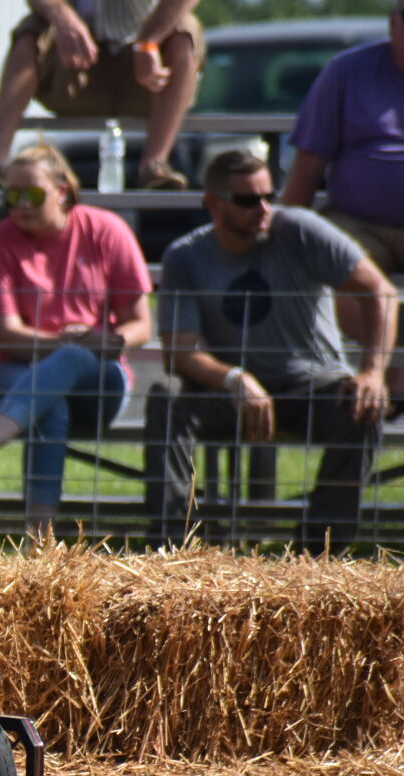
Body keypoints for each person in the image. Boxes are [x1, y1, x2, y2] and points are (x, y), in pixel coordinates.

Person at [148, 149, 396, 552]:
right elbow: (179, 353)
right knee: (166, 399)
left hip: (312, 383)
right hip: (233, 394)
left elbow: (380, 291)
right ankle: (171, 550)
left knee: (362, 408)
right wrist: (235, 378)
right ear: (213, 204)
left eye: (269, 195)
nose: (263, 208)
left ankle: (316, 558)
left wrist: (372, 371)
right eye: (247, 200)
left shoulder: (299, 228)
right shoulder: (185, 256)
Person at [0, 144, 152, 531]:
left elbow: (140, 324)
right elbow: (5, 337)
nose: (21, 204)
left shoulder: (107, 230)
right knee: (49, 402)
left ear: (62, 191)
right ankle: (41, 540)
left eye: (33, 194)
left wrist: (107, 341)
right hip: (14, 369)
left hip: (100, 380)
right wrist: (66, 344)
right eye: (11, 195)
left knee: (67, 364)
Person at [279, 4, 404, 408]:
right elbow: (307, 167)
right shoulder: (346, 72)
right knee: (318, 265)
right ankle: (390, 367)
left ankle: (393, 378)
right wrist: (280, 231)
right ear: (393, 21)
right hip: (357, 222)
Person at [0, 0, 202, 192]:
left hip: (145, 74)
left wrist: (148, 42)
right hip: (77, 66)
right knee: (31, 29)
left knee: (185, 29)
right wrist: (63, 17)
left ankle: (155, 164)